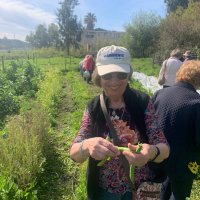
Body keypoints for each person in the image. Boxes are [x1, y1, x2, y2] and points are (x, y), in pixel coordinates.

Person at [70, 45, 170, 200]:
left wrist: (150, 152)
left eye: (121, 74)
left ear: (128, 74)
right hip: (105, 191)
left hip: (141, 190)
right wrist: (87, 146)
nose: (114, 81)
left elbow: (164, 148)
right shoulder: (94, 107)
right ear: (98, 75)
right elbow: (74, 154)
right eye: (108, 75)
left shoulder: (142, 102)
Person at [152, 60, 200, 199]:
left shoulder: (159, 94)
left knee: (160, 190)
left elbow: (149, 122)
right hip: (183, 161)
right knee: (179, 194)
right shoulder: (196, 102)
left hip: (158, 153)